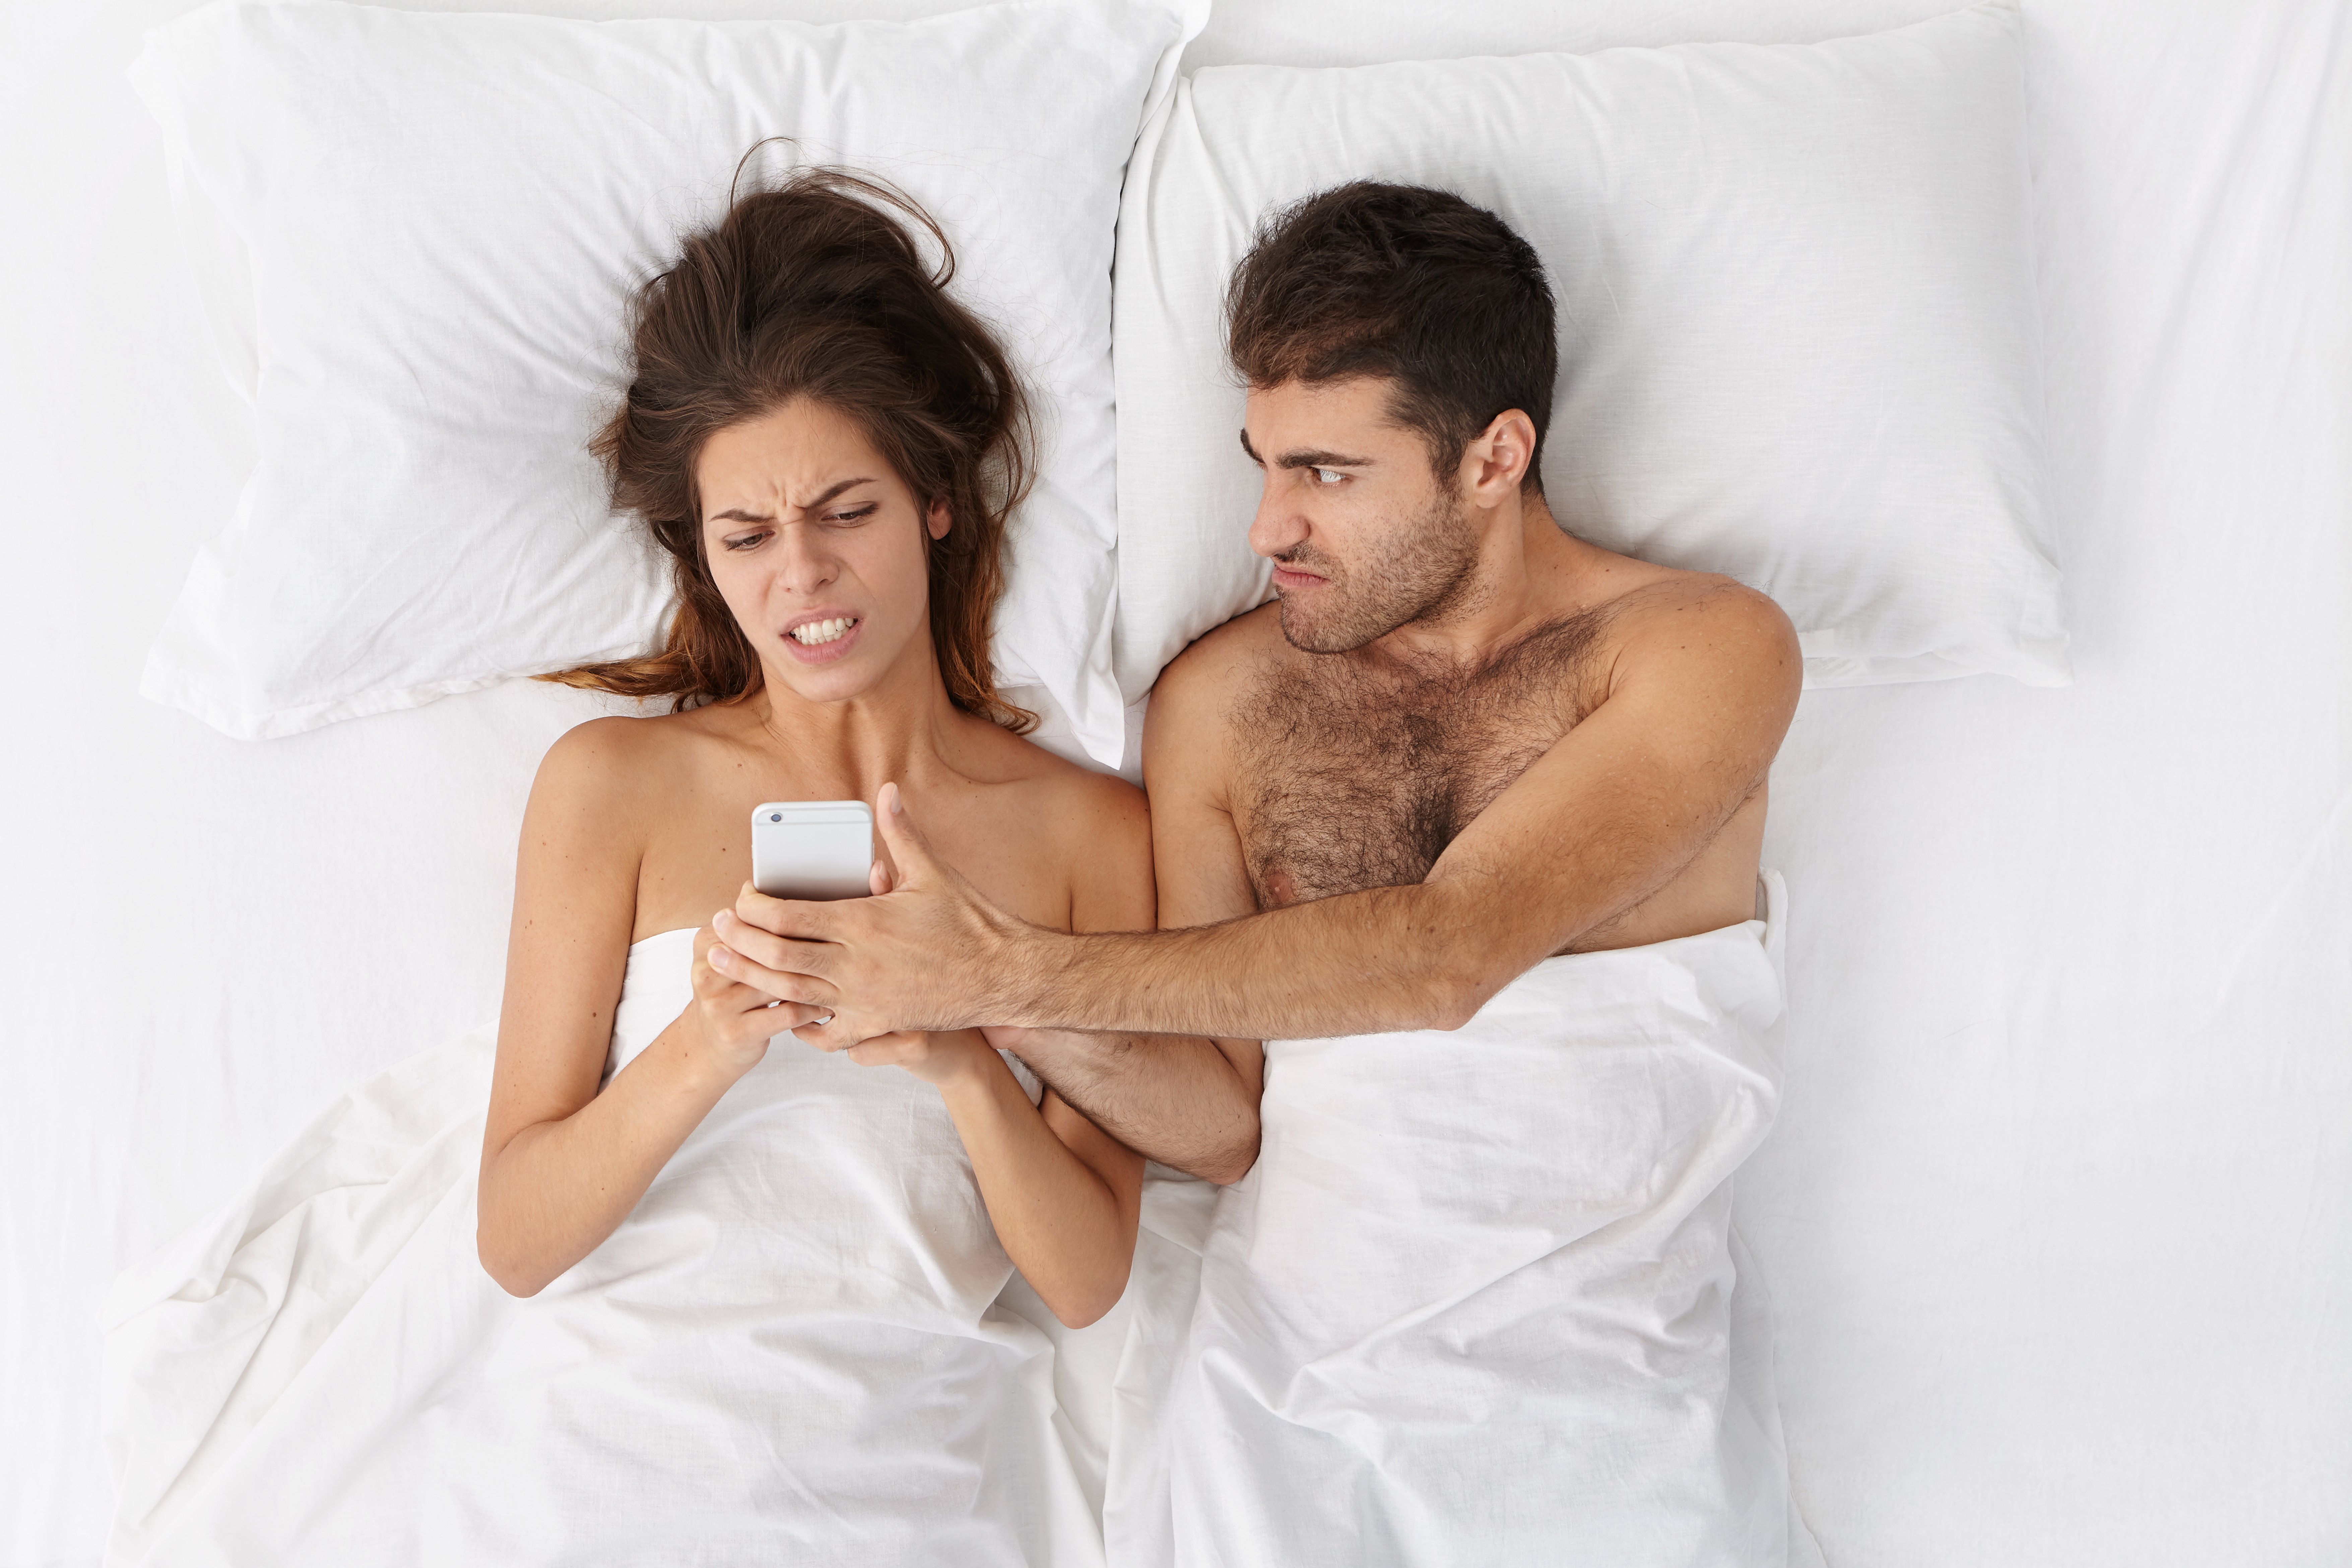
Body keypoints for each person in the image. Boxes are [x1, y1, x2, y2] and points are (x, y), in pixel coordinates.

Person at [720, 181, 1805, 1563]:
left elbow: (1450, 955)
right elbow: (1221, 1124)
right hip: (1296, 1404)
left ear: (1493, 458)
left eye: (1328, 476)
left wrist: (1009, 969)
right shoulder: (1225, 705)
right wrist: (989, 1002)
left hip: (1601, 1398)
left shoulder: (1701, 648)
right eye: (1264, 466)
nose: (1269, 529)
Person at [473, 166, 1149, 1559]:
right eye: (748, 535)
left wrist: (961, 1051)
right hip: (614, 1460)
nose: (801, 576)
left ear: (935, 499)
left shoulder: (1088, 836)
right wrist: (713, 1039)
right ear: (704, 553)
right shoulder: (614, 789)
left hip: (912, 1474)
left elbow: (1087, 1280)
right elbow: (517, 1241)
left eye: (846, 511)